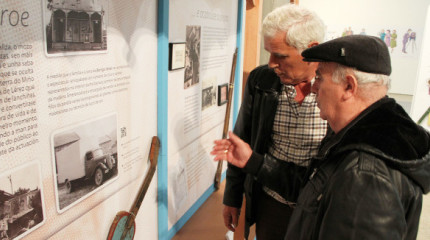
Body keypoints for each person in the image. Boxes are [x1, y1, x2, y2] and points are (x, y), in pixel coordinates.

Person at [212, 35, 430, 239]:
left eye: (320, 78)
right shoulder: (355, 141)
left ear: (348, 86)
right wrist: (253, 161)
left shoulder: (366, 173)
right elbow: (310, 190)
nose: (314, 88)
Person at [221, 4, 327, 239]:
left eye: (280, 55)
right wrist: (232, 197)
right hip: (272, 204)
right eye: (268, 52)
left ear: (312, 51)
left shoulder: (336, 89)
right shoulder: (261, 81)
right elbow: (242, 140)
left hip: (320, 210)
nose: (271, 63)